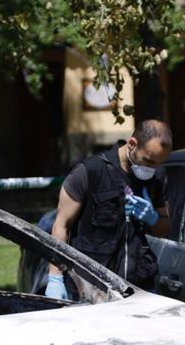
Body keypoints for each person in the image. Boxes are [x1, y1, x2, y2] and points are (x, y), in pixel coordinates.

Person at [46, 118, 173, 297]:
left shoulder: (157, 178)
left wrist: (153, 218)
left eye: (158, 163)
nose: (153, 168)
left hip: (138, 289)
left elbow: (164, 226)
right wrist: (55, 277)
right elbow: (61, 225)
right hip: (92, 287)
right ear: (132, 144)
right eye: (149, 160)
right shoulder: (90, 172)